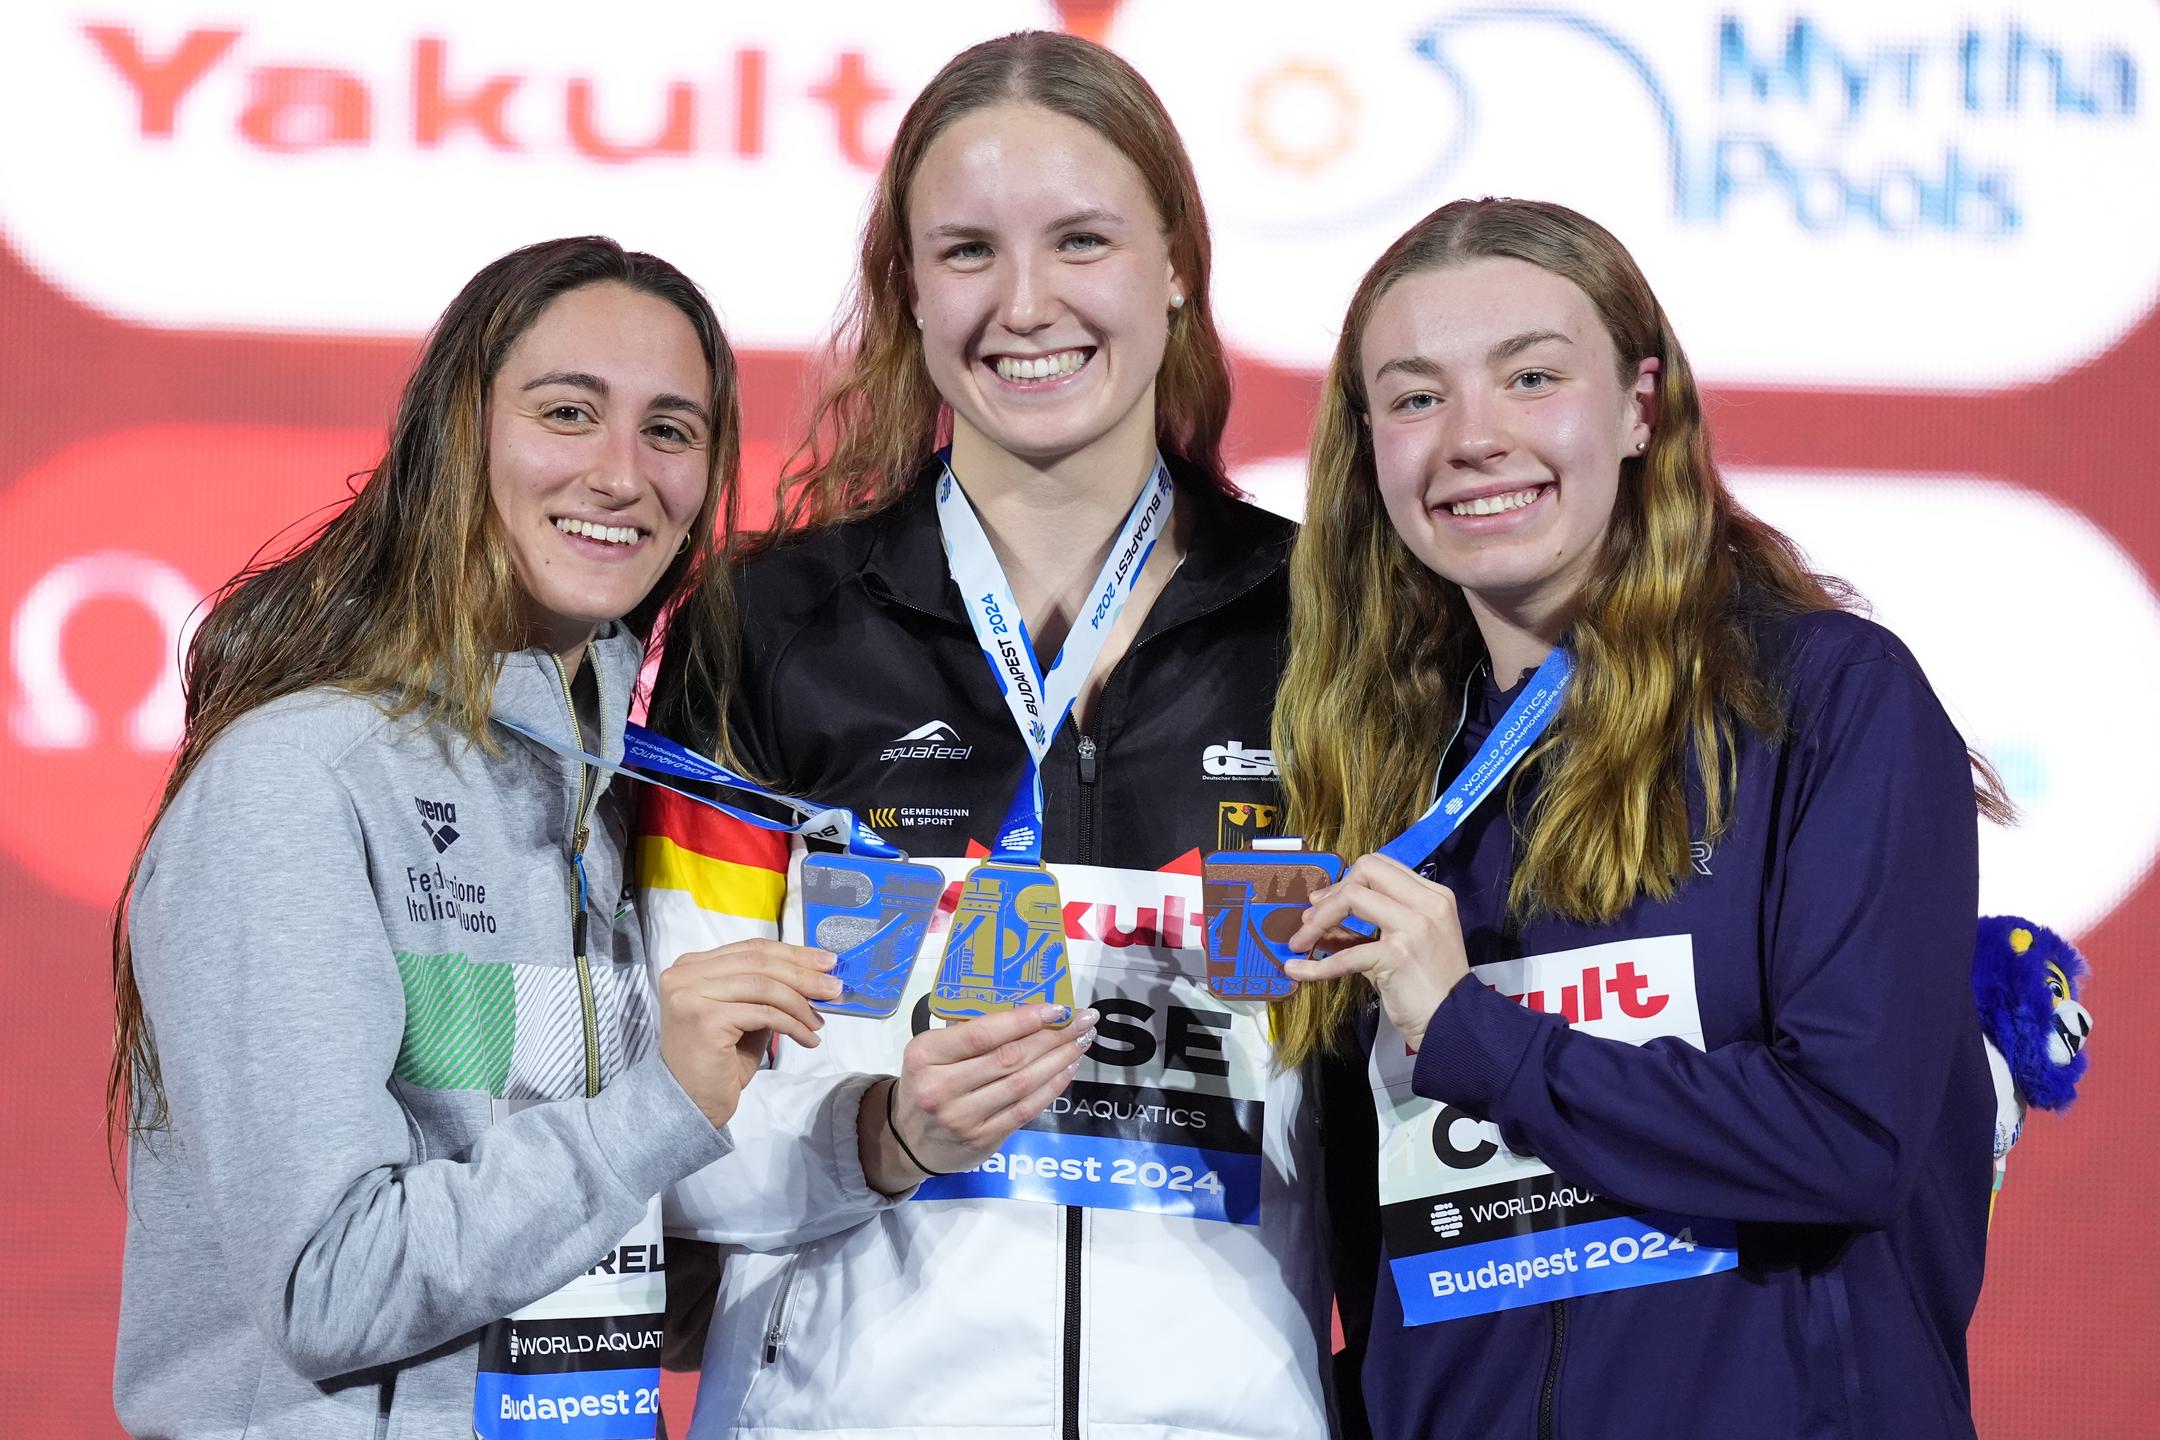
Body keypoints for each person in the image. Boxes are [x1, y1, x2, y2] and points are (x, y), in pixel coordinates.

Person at [640, 31, 1332, 1440]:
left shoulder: (1335, 625)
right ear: (904, 287)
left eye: (1082, 240)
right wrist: (883, 1136)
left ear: (1177, 264)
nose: (1025, 305)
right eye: (965, 253)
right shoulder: (767, 625)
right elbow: (670, 1127)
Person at [1270, 197, 2005, 1440]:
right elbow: (1381, 1255)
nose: (1473, 439)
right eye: (1414, 397)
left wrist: (1474, 1034)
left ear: (1640, 408)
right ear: (1368, 447)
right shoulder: (1372, 775)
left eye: (1532, 377)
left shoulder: (1825, 702)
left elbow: (1850, 1138)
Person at [110, 237, 842, 1440]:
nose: (622, 474)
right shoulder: (299, 781)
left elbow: (570, 1260)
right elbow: (330, 1283)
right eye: (568, 413)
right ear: (462, 435)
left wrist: (888, 1144)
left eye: (671, 431)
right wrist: (664, 1104)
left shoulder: (612, 805)